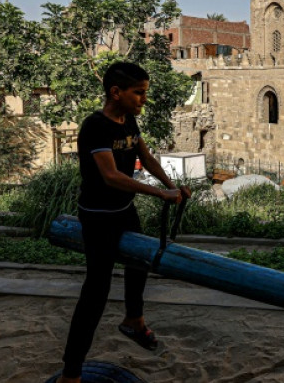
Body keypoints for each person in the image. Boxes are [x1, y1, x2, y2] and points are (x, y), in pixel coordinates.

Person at [58, 62, 190, 383]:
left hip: (124, 211)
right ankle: (71, 373)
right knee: (96, 293)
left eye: (145, 93)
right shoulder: (95, 127)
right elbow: (111, 176)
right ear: (116, 93)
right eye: (139, 93)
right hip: (99, 217)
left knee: (139, 263)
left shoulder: (128, 121)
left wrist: (171, 185)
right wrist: (159, 194)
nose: (143, 99)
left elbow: (144, 158)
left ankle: (133, 319)